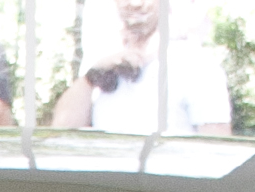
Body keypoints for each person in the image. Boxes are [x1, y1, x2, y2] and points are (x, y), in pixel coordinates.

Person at [52, 0, 231, 135]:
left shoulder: (197, 66)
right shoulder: (106, 65)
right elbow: (61, 134)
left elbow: (217, 153)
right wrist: (90, 78)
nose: (134, 3)